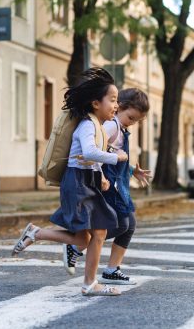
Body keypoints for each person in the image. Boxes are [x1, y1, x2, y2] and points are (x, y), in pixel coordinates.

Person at [11, 67, 127, 296]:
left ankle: (36, 233)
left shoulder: (96, 124)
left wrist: (101, 176)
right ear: (96, 103)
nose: (116, 106)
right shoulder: (88, 125)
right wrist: (117, 157)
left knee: (83, 238)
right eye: (112, 100)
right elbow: (89, 152)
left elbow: (88, 158)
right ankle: (89, 284)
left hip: (86, 182)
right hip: (77, 183)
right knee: (99, 233)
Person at [64, 88, 152, 285]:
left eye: (136, 120)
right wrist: (102, 176)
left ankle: (112, 269)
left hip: (119, 183)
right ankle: (78, 245)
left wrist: (131, 171)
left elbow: (113, 157)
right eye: (130, 117)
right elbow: (97, 155)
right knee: (122, 224)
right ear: (119, 107)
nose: (132, 122)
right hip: (110, 186)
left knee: (129, 225)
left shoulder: (120, 127)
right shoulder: (112, 127)